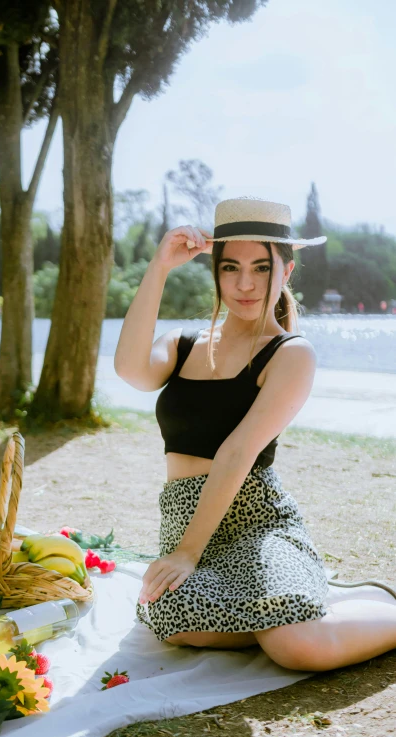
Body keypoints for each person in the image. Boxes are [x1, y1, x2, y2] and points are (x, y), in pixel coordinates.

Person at [114, 196, 396, 673]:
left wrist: (187, 554)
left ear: (285, 271)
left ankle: (313, 616)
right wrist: (159, 267)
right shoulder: (184, 345)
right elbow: (129, 369)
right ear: (216, 273)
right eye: (231, 268)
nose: (245, 284)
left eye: (261, 268)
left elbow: (238, 451)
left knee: (295, 647)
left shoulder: (290, 354)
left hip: (258, 525)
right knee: (172, 618)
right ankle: (291, 611)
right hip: (186, 523)